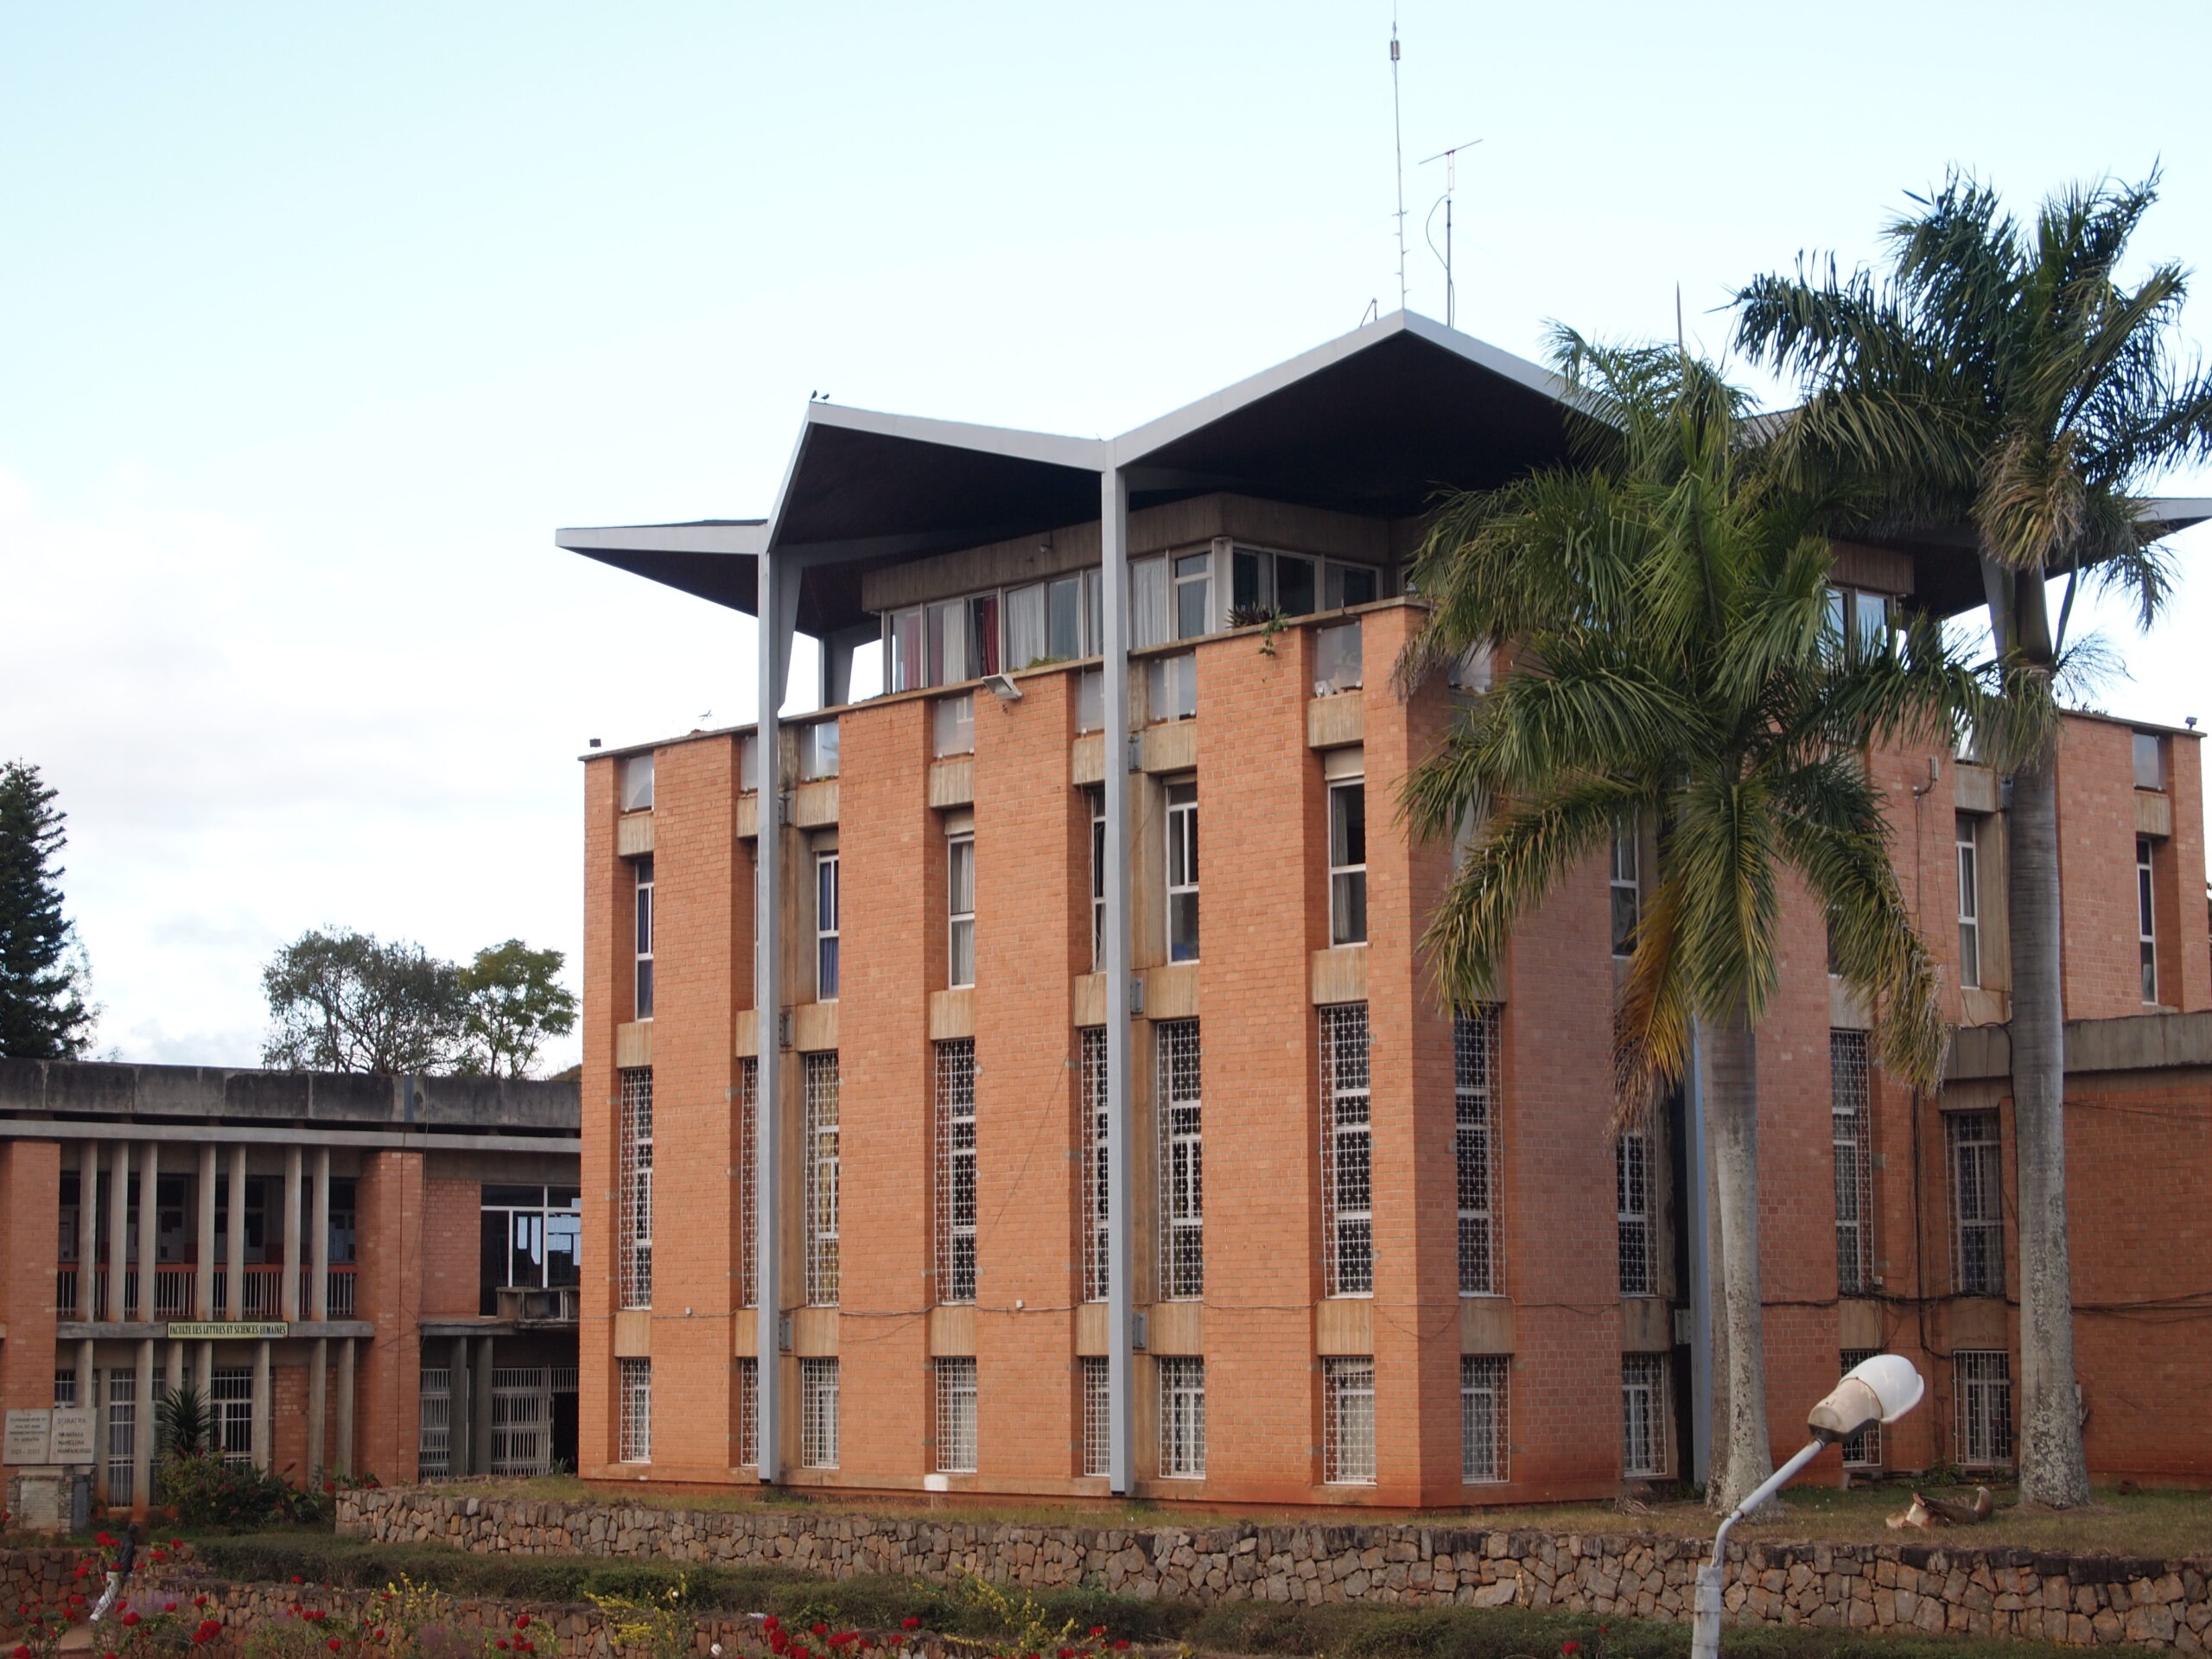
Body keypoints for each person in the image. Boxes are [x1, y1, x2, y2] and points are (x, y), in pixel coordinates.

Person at [89, 1521, 141, 1623]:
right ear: (135, 1533)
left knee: (109, 1594)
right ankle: (95, 1616)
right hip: (117, 1571)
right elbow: (125, 1560)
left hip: (112, 1569)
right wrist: (125, 1574)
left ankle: (100, 1616)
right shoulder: (130, 1543)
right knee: (109, 1595)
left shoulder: (122, 1539)